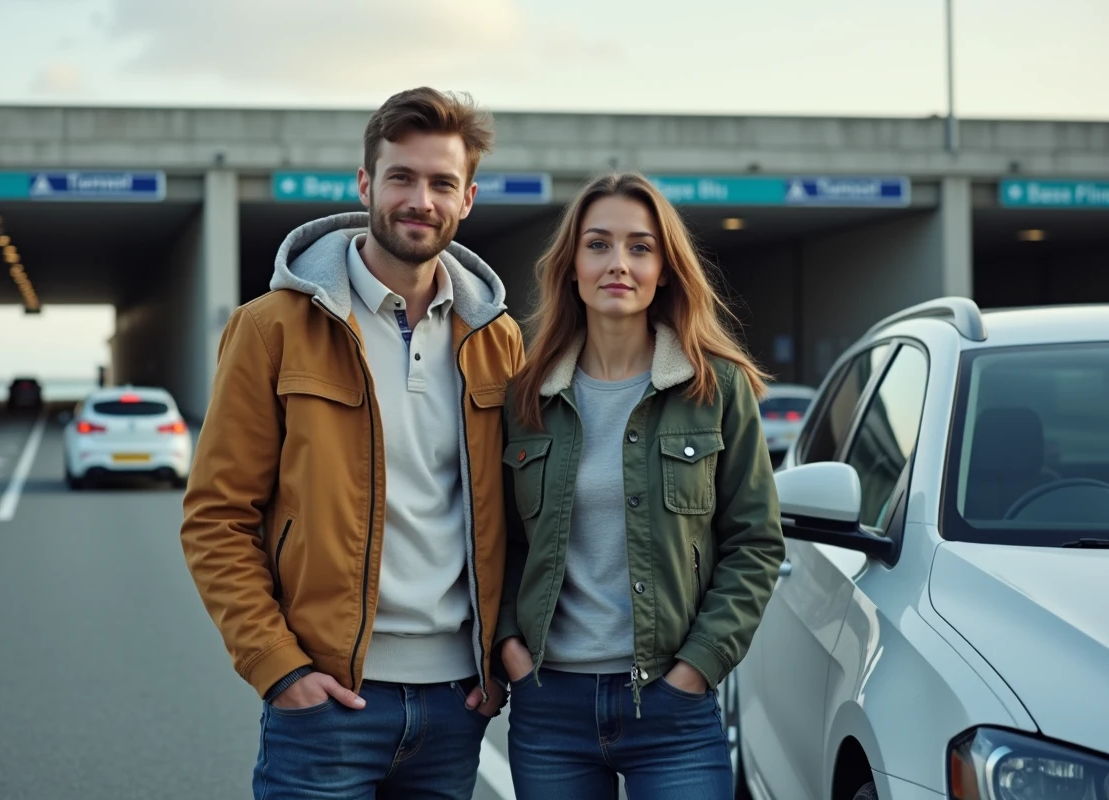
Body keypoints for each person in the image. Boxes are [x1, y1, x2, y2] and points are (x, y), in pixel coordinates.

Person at [179, 87, 524, 800]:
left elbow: (523, 516)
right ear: (366, 183)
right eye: (400, 177)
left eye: (440, 183)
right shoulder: (270, 326)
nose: (419, 199)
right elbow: (217, 517)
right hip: (326, 704)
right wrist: (279, 665)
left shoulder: (499, 339)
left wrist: (498, 659)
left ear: (467, 199)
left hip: (456, 704)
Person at [496, 172, 787, 799]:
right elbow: (496, 540)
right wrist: (510, 649)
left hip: (671, 706)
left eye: (640, 247)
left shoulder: (717, 389)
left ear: (665, 269)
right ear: (571, 265)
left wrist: (698, 666)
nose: (618, 264)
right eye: (598, 245)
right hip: (550, 707)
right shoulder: (525, 397)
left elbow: (755, 544)